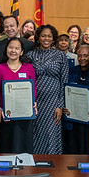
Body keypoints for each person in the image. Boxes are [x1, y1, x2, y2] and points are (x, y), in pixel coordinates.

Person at [28, 25, 69, 154]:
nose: (46, 38)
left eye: (49, 36)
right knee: (36, 134)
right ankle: (36, 164)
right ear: (38, 37)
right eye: (43, 35)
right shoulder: (30, 55)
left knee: (52, 135)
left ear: (53, 38)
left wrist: (60, 106)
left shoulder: (60, 56)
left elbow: (64, 82)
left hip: (53, 103)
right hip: (35, 103)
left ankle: (52, 165)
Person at [0, 37, 36, 153]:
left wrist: (33, 103)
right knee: (7, 147)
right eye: (11, 47)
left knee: (24, 147)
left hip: (25, 115)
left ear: (21, 51)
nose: (13, 51)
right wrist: (0, 109)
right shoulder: (0, 68)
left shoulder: (28, 67)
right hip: (7, 116)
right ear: (6, 49)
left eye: (17, 48)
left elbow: (33, 88)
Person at [63, 44, 89, 155]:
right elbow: (65, 90)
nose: (82, 58)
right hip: (72, 118)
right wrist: (64, 107)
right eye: (80, 55)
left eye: (85, 55)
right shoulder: (71, 71)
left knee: (87, 150)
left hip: (88, 120)